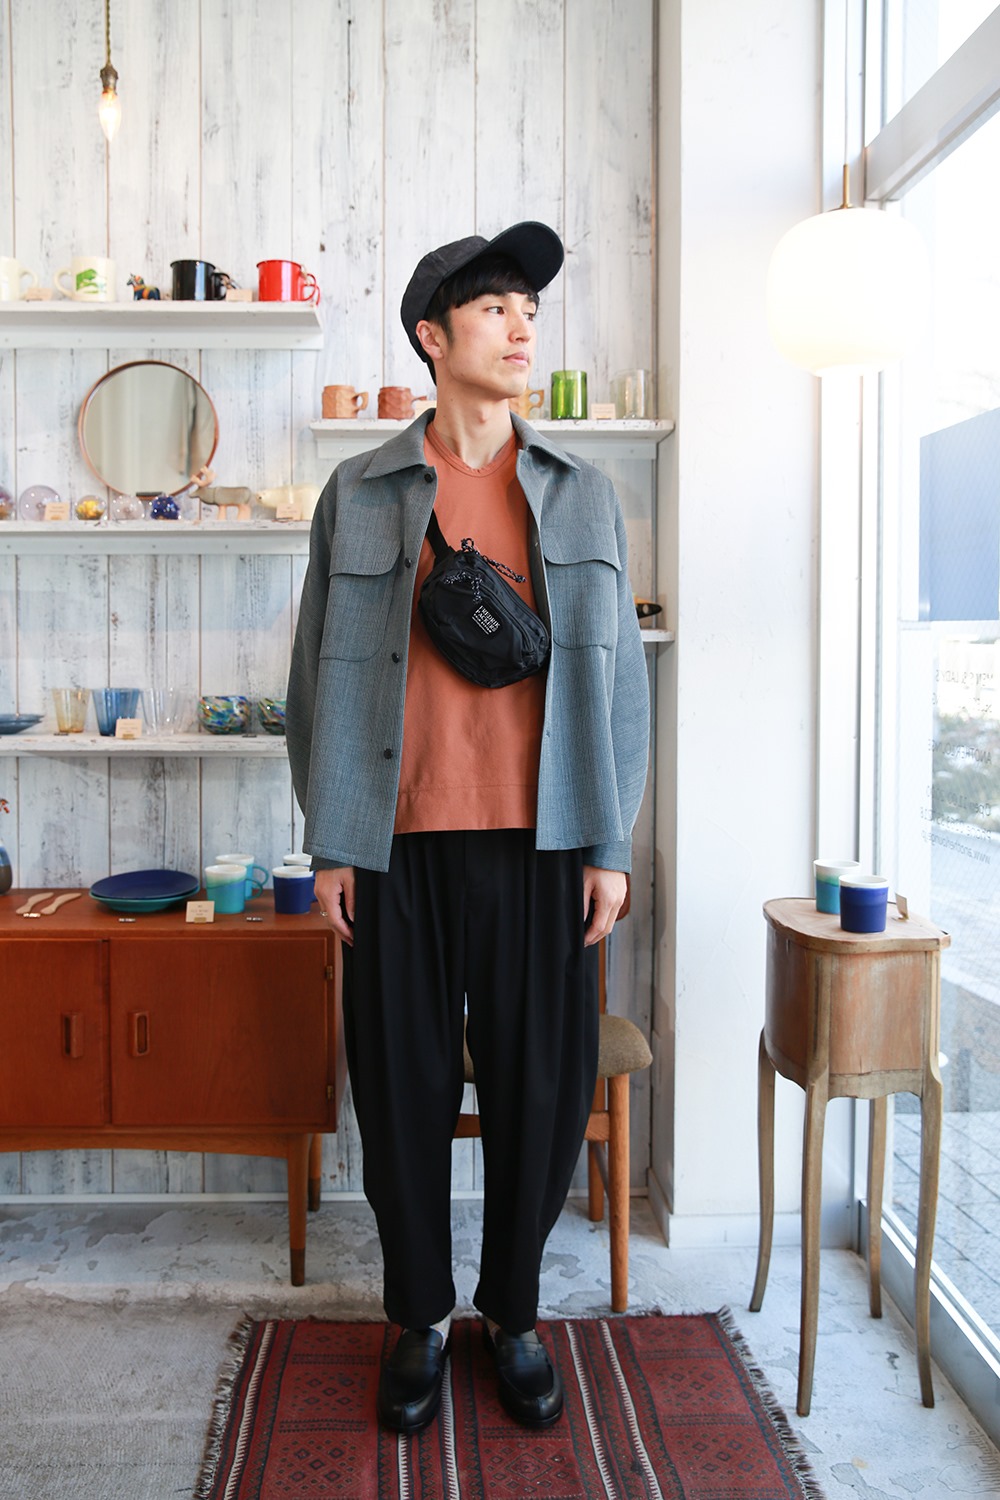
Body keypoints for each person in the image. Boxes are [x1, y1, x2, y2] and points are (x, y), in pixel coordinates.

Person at [286, 221, 649, 1434]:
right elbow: (317, 676)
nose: (522, 327)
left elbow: (618, 685)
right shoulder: (361, 491)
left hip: (544, 844)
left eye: (529, 310)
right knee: (401, 1088)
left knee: (542, 1094)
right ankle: (417, 1316)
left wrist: (610, 846)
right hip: (394, 846)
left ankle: (514, 1315)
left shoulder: (581, 494)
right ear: (432, 338)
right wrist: (331, 841)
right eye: (496, 307)